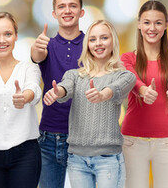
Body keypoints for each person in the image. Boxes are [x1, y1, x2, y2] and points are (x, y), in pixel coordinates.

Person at [43, 20, 135, 188]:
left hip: (108, 158)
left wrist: (103, 94)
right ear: (87, 45)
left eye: (104, 38)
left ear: (113, 41)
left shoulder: (123, 75)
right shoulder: (75, 75)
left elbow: (117, 88)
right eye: (93, 39)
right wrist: (58, 92)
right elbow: (66, 87)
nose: (98, 43)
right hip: (77, 159)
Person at [120, 0, 168, 188]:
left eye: (158, 22)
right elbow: (130, 78)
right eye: (147, 22)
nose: (152, 28)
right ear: (139, 24)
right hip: (132, 142)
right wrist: (142, 90)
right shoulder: (127, 59)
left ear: (166, 25)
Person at [0, 12, 42, 187]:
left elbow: (33, 89)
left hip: (26, 151)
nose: (1, 40)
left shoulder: (29, 68)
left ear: (16, 36)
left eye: (8, 34)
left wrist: (24, 98)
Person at [31, 0, 85, 188]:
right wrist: (36, 48)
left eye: (73, 5)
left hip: (84, 138)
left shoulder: (92, 45)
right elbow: (37, 56)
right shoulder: (46, 45)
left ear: (81, 12)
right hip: (49, 139)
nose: (67, 10)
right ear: (54, 14)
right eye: (61, 6)